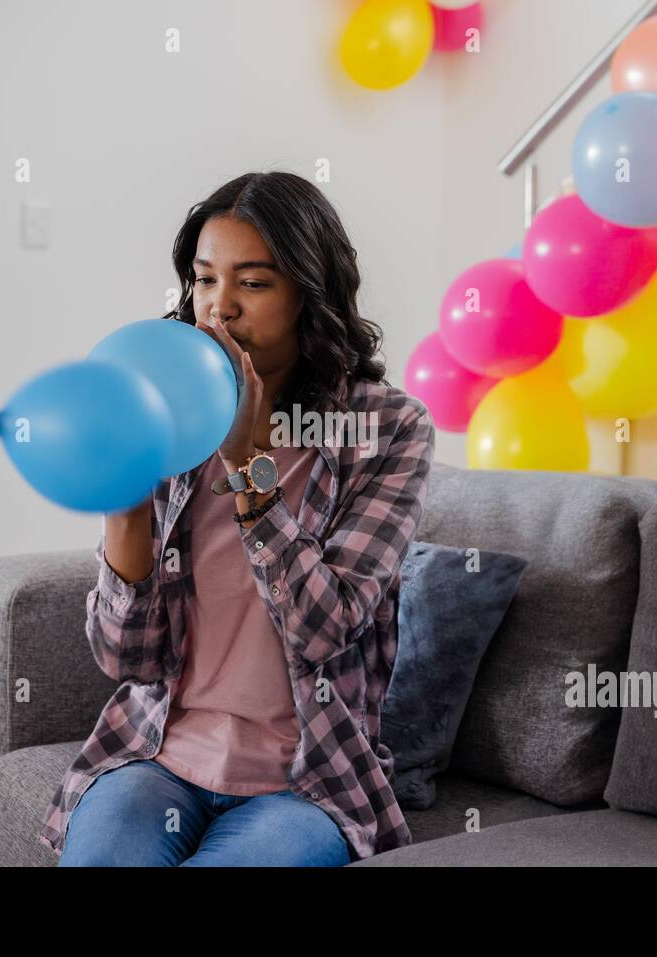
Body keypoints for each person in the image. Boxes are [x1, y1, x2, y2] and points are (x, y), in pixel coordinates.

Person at [40, 170, 435, 866]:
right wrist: (124, 508)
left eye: (253, 282)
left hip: (307, 781)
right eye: (204, 280)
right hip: (161, 753)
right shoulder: (169, 408)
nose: (219, 309)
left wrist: (250, 465)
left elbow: (324, 629)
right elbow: (125, 659)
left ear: (309, 293)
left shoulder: (385, 429)